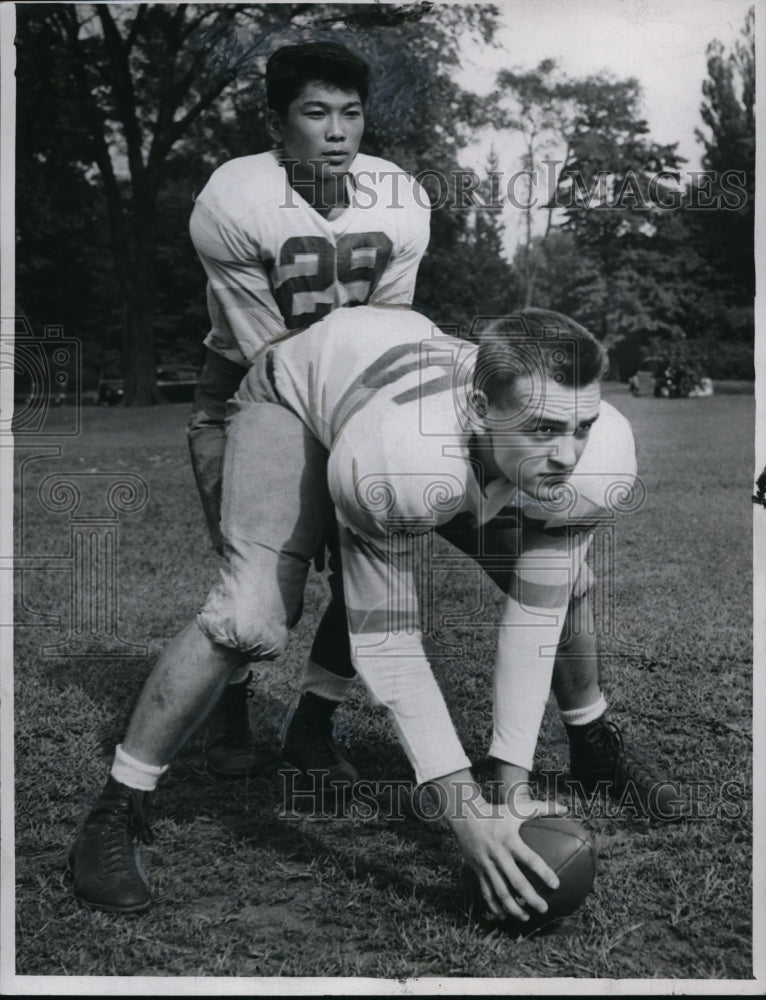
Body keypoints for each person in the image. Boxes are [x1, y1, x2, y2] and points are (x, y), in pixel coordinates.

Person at [69, 306, 680, 921]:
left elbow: (534, 613)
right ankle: (118, 807)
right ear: (478, 408)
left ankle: (594, 748)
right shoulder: (400, 455)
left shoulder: (599, 456)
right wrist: (466, 815)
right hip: (298, 395)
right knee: (252, 613)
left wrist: (509, 787)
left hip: (409, 396)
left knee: (567, 583)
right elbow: (387, 640)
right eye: (544, 427)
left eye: (581, 425)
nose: (569, 453)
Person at [186, 40, 431, 780]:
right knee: (255, 577)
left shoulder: (399, 197)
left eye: (351, 114)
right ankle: (231, 701)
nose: (335, 131)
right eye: (315, 113)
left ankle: (314, 723)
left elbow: (385, 334)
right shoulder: (231, 199)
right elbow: (268, 358)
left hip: (355, 391)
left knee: (375, 563)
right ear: (275, 123)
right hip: (247, 391)